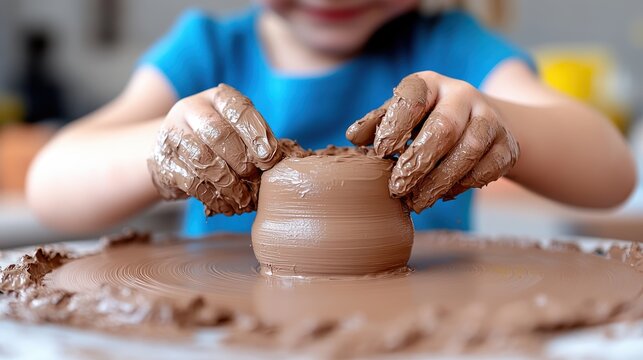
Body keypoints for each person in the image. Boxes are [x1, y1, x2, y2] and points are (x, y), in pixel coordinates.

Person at [27, 0, 635, 237]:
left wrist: (495, 118)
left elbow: (611, 174)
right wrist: (158, 151)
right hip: (225, 337)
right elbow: (51, 186)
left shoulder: (451, 47)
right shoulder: (206, 51)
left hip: (429, 336)